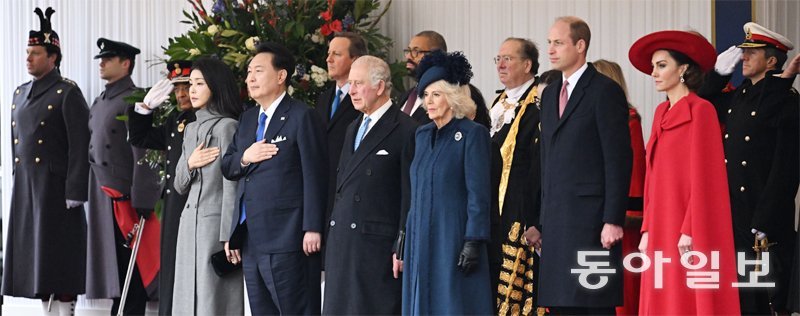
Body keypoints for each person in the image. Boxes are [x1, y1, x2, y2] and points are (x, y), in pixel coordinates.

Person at [628, 30, 741, 315]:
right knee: (662, 293)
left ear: (684, 69)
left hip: (688, 224)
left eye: (661, 65)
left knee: (686, 295)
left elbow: (706, 178)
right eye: (653, 66)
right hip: (660, 223)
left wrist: (689, 229)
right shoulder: (659, 113)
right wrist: (647, 228)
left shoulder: (701, 110)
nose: (654, 72)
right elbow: (653, 177)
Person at [697, 22, 799, 315]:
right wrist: (717, 76)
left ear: (771, 60)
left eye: (751, 53)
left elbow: (786, 169)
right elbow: (701, 104)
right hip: (735, 210)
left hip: (764, 215)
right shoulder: (739, 97)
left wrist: (765, 218)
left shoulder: (787, 103)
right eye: (743, 52)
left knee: (768, 295)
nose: (743, 57)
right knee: (740, 292)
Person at [221, 41, 327, 315]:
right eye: (248, 73)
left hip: (287, 237)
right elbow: (229, 165)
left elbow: (315, 173)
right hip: (251, 237)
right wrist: (247, 156)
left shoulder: (302, 116)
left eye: (258, 71)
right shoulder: (247, 119)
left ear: (281, 76)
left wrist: (312, 227)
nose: (250, 78)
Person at [538, 16, 631, 314]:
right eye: (549, 42)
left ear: (580, 46)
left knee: (591, 302)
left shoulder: (604, 91)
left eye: (558, 43)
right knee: (561, 304)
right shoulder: (551, 92)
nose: (551, 50)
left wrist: (613, 218)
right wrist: (539, 219)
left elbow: (617, 157)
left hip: (591, 222)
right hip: (556, 220)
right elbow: (547, 159)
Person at [2, 7, 90, 316]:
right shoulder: (19, 93)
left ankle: (64, 311)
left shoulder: (67, 93)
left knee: (58, 256)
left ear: (52, 57)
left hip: (57, 191)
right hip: (28, 188)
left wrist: (76, 191)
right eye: (27, 52)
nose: (28, 58)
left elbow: (81, 145)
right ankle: (46, 310)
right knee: (35, 260)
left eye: (35, 53)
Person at [322, 55, 417, 315]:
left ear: (380, 86)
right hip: (343, 243)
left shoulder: (406, 129)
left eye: (358, 83)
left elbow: (410, 195)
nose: (351, 91)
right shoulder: (353, 127)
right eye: (350, 83)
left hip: (376, 248)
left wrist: (402, 244)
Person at [400, 50, 493, 314]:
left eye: (436, 95)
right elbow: (414, 190)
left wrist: (474, 239)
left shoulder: (472, 134)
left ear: (451, 98)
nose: (428, 102)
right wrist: (404, 236)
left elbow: (479, 194)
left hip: (452, 236)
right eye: (425, 95)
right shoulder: (422, 134)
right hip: (419, 233)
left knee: (451, 302)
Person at [85, 38, 162, 315]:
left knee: (132, 265)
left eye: (108, 58)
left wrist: (142, 196)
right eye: (101, 59)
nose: (102, 63)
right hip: (102, 194)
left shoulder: (136, 98)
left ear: (126, 63)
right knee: (114, 268)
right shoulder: (100, 100)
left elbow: (143, 152)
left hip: (125, 196)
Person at [171, 57, 244, 315]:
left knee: (211, 301)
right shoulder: (190, 129)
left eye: (199, 83)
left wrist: (229, 235)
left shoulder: (228, 127)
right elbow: (179, 185)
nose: (191, 89)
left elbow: (232, 185)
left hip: (213, 228)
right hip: (188, 224)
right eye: (191, 83)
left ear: (216, 85)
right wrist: (190, 163)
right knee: (186, 299)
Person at [127, 59, 196, 315]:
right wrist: (144, 109)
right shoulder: (176, 121)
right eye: (176, 88)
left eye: (186, 86)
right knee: (171, 270)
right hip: (174, 207)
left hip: (192, 208)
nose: (181, 94)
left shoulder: (204, 120)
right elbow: (140, 138)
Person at [488, 37, 542, 315]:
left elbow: (539, 165)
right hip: (493, 209)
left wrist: (536, 217)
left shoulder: (538, 102)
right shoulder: (498, 102)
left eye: (508, 58)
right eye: (498, 58)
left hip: (521, 210)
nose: (501, 64)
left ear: (528, 64)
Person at [592, 59, 646, 316]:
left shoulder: (629, 120)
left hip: (620, 222)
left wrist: (621, 216)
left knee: (622, 292)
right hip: (597, 216)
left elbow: (634, 174)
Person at [315, 32, 367, 250]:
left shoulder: (365, 98)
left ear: (354, 60)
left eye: (336, 54)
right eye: (328, 53)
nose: (328, 59)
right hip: (322, 193)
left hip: (350, 196)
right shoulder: (324, 98)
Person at [397, 30, 447, 124]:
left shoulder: (446, 96)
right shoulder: (405, 96)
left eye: (416, 51)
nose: (408, 56)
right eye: (408, 50)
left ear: (436, 56)